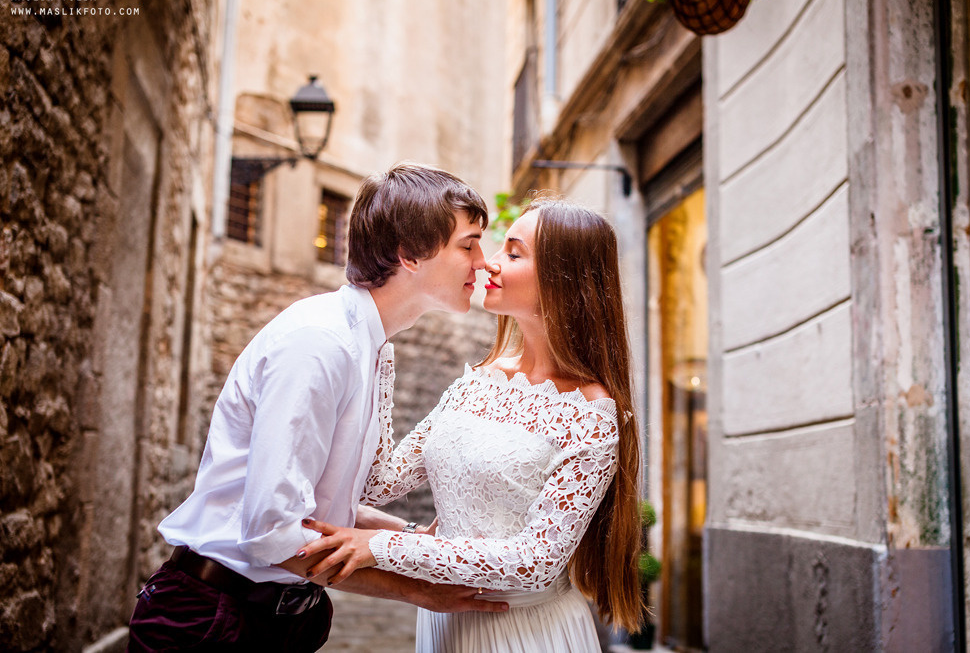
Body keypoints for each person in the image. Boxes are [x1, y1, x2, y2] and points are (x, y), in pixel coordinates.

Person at [127, 163, 509, 653]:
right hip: (210, 622)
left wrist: (416, 537)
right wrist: (418, 591)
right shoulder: (321, 343)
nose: (483, 262)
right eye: (468, 244)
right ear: (410, 254)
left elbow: (325, 507)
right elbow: (272, 531)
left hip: (284, 617)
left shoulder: (374, 346)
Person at [299, 198, 643, 652]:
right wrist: (380, 355)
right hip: (445, 624)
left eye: (514, 253)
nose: (490, 264)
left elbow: (535, 562)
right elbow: (377, 483)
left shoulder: (591, 414)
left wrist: (380, 547)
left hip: (524, 632)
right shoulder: (477, 382)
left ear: (565, 278)